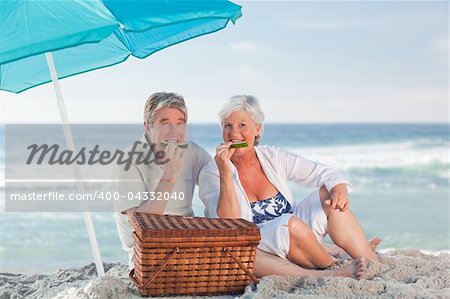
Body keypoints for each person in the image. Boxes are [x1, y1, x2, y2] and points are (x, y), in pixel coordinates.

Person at [199, 95, 380, 279]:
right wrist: (225, 174)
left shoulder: (274, 157)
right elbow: (228, 225)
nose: (234, 133)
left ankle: (370, 260)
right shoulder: (212, 173)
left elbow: (325, 174)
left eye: (242, 125)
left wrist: (339, 190)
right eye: (227, 125)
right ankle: (332, 268)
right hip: (260, 250)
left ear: (258, 129)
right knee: (276, 234)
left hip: (300, 241)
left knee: (328, 194)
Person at [113, 92, 211, 270]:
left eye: (179, 123)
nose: (174, 133)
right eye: (164, 123)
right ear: (147, 127)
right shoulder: (128, 161)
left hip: (188, 243)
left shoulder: (192, 152)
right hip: (147, 252)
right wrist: (170, 176)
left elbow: (219, 183)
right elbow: (142, 228)